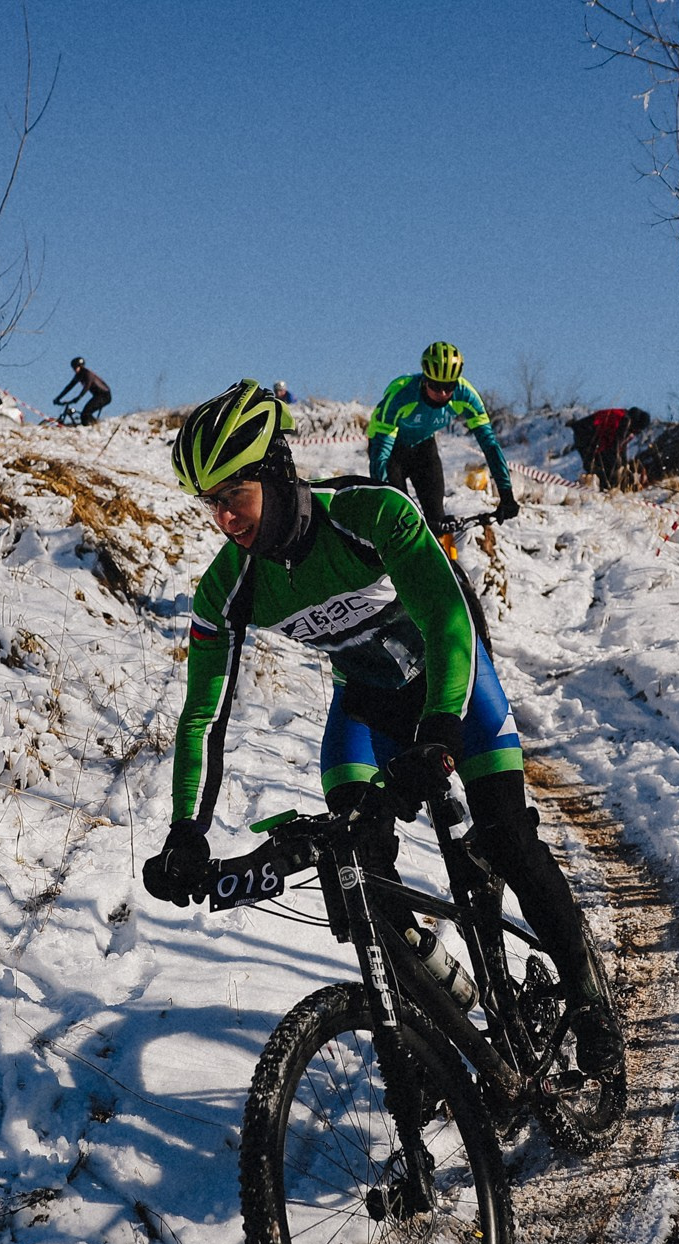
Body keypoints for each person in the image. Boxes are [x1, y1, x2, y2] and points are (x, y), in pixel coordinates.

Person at [142, 380, 620, 1076]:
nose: (222, 519)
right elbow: (203, 715)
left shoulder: (369, 513)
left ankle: (588, 999)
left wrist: (440, 732)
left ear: (274, 475)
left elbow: (449, 619)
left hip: (454, 694)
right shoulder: (229, 586)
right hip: (367, 707)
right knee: (354, 875)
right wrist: (187, 829)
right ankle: (435, 1022)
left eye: (232, 497)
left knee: (508, 838)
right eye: (209, 503)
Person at [365, 341, 518, 530]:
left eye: (449, 386)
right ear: (425, 379)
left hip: (423, 446)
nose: (443, 393)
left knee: (437, 520)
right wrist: (385, 496)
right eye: (436, 386)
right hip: (391, 452)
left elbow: (490, 445)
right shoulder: (402, 395)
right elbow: (381, 454)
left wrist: (506, 493)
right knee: (399, 517)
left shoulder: (466, 395)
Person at [568, 407, 652, 491]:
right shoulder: (625, 421)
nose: (635, 432)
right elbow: (616, 445)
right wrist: (620, 465)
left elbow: (621, 448)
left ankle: (599, 486)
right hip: (586, 434)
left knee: (601, 465)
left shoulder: (624, 416)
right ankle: (602, 488)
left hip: (584, 433)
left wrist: (623, 464)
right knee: (603, 466)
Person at [52, 356, 110, 425]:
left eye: (75, 367)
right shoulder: (78, 375)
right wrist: (58, 398)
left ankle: (96, 427)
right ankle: (92, 426)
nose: (74, 370)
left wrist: (78, 397)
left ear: (80, 366)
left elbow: (87, 387)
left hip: (104, 396)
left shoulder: (88, 374)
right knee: (85, 415)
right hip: (97, 396)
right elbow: (69, 387)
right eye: (73, 368)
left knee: (85, 414)